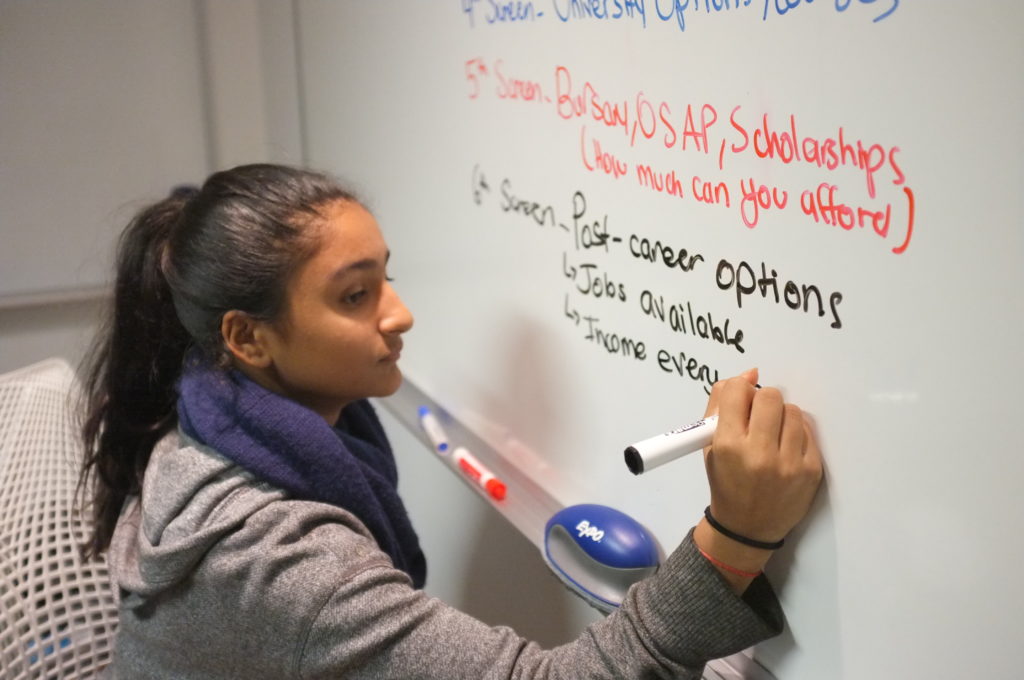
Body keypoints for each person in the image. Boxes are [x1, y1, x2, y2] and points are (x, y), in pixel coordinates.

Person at [78, 163, 823, 678]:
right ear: (248, 338)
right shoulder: (279, 564)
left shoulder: (212, 422)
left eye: (386, 278)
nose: (399, 314)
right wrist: (735, 538)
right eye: (353, 296)